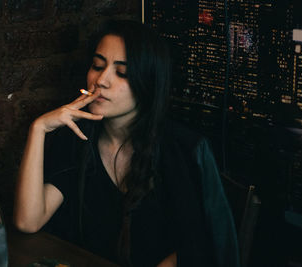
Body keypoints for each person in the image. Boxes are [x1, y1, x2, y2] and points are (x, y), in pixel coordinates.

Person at [13, 19, 240, 267]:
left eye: (122, 72)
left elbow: (194, 250)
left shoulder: (181, 150)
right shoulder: (78, 138)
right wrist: (39, 128)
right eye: (98, 66)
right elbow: (28, 221)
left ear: (147, 83)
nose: (101, 80)